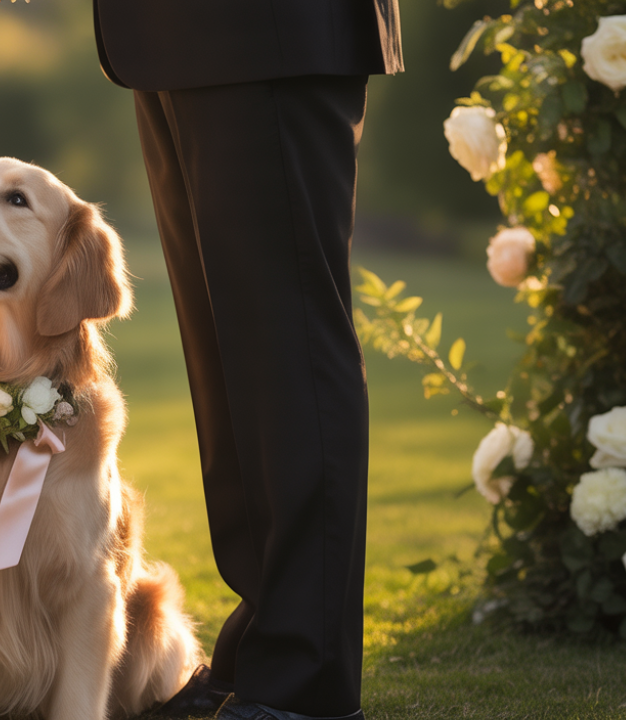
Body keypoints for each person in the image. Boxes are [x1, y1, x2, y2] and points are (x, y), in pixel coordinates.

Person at [92, 2, 403, 719]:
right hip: (171, 34)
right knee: (228, 365)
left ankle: (305, 683)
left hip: (267, 29)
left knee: (285, 350)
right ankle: (262, 651)